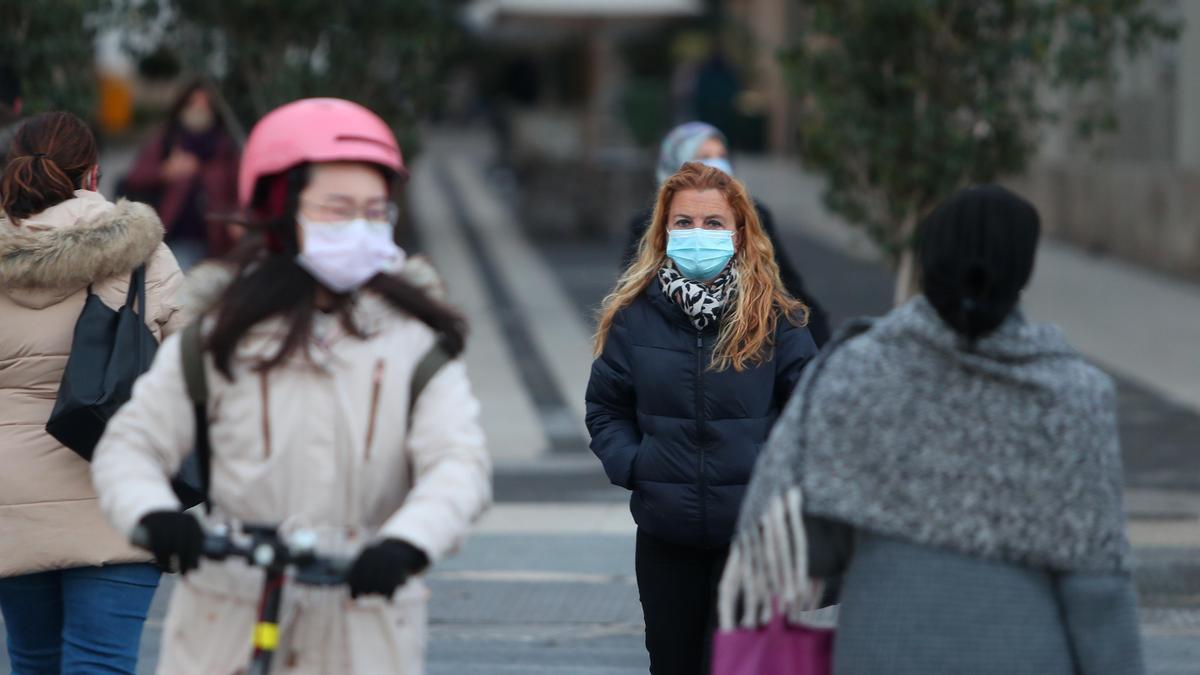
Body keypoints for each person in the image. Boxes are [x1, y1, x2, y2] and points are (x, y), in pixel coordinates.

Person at [91, 97, 492, 674]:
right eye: (337, 209)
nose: (360, 226)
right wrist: (155, 515)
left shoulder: (414, 343)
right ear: (282, 211)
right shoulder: (221, 336)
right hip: (226, 621)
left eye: (376, 211)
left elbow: (459, 461)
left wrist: (407, 541)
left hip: (364, 618)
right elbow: (132, 443)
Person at [724, 185, 1143, 674]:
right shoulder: (1074, 396)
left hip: (882, 651)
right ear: (1022, 269)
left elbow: (790, 543)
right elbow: (1098, 589)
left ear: (926, 262)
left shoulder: (855, 374)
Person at [587, 162, 818, 674]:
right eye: (684, 223)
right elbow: (606, 406)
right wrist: (636, 465)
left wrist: (773, 480)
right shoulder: (634, 316)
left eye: (713, 223)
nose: (698, 234)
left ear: (739, 235)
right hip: (666, 539)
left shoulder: (777, 318)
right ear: (663, 232)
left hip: (754, 543)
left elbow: (813, 415)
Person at [0, 111, 183, 673]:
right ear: (94, 176)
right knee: (103, 662)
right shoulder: (142, 252)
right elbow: (194, 369)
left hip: (10, 502)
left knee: (33, 663)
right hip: (119, 490)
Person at [624, 122, 831, 345]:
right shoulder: (636, 313)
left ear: (740, 234)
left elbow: (787, 283)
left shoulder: (753, 215)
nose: (716, 163)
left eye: (721, 155)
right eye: (704, 155)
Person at [121, 79, 240, 268]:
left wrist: (237, 219)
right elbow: (134, 178)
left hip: (218, 244)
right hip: (175, 238)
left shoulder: (225, 147)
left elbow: (239, 190)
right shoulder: (166, 140)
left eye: (205, 103)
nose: (200, 109)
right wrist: (164, 171)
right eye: (193, 102)